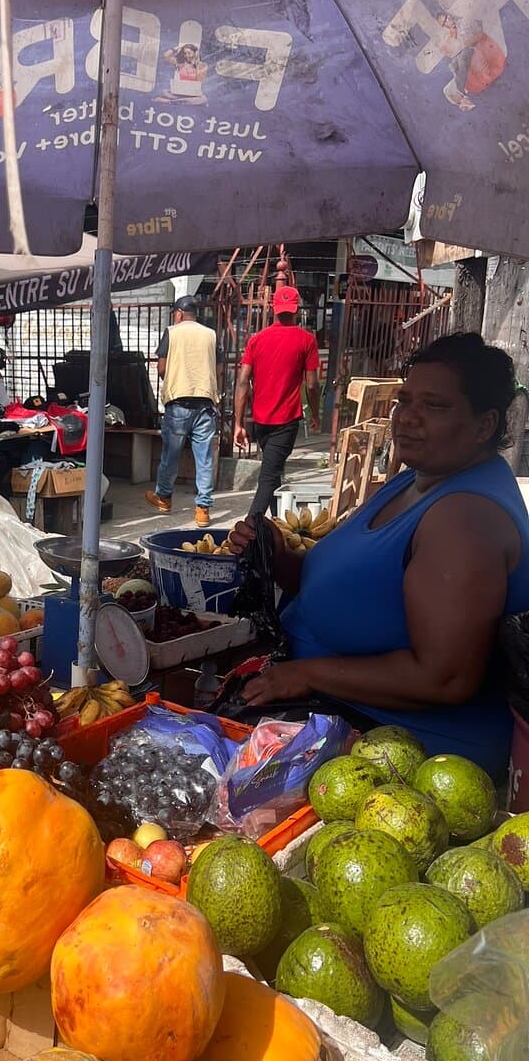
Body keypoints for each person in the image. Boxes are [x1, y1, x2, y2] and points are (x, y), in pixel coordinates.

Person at [231, 332, 529, 781]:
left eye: (434, 406)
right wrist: (278, 558)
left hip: (398, 754)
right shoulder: (417, 480)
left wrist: (306, 674)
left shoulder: (464, 518)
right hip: (329, 704)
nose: (407, 418)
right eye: (404, 401)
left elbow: (445, 678)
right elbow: (355, 588)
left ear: (484, 426)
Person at [233, 285, 321, 517]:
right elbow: (312, 385)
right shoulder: (306, 340)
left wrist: (238, 423)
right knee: (270, 475)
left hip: (261, 421)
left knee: (273, 471)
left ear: (274, 308)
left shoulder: (256, 340)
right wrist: (315, 413)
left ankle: (276, 521)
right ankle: (250, 527)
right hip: (286, 421)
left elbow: (242, 382)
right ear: (296, 309)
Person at [145, 295, 222, 528]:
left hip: (178, 401)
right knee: (204, 458)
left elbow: (161, 368)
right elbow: (218, 369)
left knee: (171, 454)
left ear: (178, 313)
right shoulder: (211, 334)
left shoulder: (172, 332)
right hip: (205, 403)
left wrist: (173, 380)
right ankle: (203, 510)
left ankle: (164, 498)